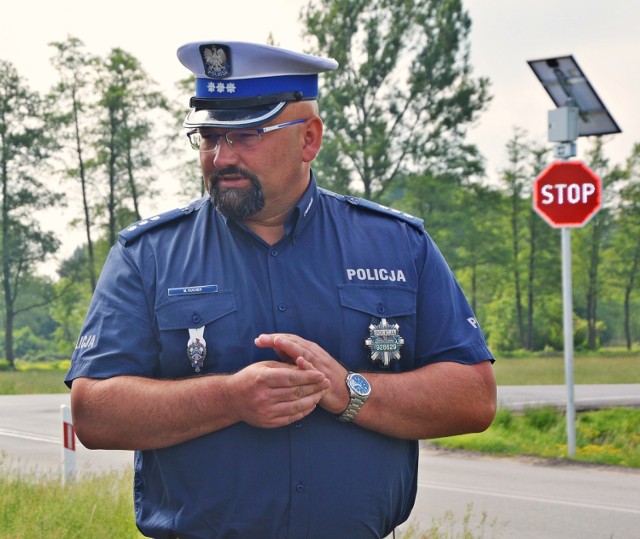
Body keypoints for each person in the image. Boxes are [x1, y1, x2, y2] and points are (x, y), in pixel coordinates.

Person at [65, 40, 497, 539]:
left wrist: (350, 391)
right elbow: (94, 413)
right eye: (209, 136)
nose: (221, 156)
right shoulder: (149, 255)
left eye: (247, 135)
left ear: (309, 139)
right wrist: (229, 399)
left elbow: (474, 397)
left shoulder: (397, 246)